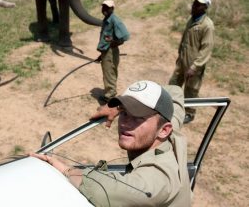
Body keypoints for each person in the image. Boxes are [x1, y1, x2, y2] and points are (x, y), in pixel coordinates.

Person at [32, 80, 191, 206]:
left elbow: (108, 190)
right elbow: (175, 92)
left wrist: (65, 169)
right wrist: (121, 106)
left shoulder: (156, 180)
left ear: (164, 130)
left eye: (138, 117)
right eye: (124, 113)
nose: (125, 123)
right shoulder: (168, 130)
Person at [169, 0, 215, 124]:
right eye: (194, 3)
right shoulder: (192, 20)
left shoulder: (207, 26)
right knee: (173, 83)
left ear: (205, 7)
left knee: (191, 89)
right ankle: (171, 106)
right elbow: (185, 40)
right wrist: (180, 56)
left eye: (198, 4)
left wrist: (195, 66)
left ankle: (189, 112)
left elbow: (206, 49)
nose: (194, 6)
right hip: (183, 61)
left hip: (194, 64)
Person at [96, 0, 130, 103]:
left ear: (112, 8)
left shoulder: (114, 20)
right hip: (107, 51)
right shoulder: (106, 19)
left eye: (107, 7)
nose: (104, 9)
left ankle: (109, 98)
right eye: (103, 7)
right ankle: (111, 93)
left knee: (109, 73)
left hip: (110, 51)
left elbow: (125, 35)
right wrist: (102, 54)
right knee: (110, 72)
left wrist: (115, 43)